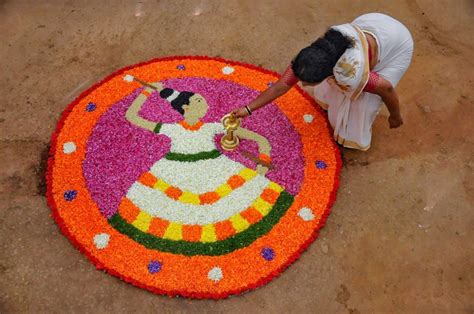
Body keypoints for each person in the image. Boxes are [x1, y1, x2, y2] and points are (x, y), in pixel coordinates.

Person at [231, 13, 414, 151]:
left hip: (398, 45)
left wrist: (395, 115)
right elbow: (280, 87)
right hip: (373, 22)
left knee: (362, 102)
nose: (301, 85)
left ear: (330, 74)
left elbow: (386, 88)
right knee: (339, 92)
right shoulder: (311, 57)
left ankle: (355, 137)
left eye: (307, 83)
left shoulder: (349, 73)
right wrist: (248, 109)